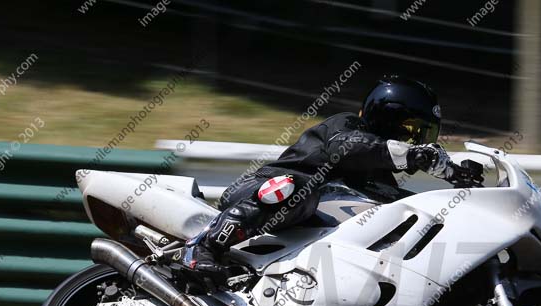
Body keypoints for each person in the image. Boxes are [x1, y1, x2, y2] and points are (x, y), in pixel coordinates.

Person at [183, 75, 456, 277]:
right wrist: (411, 155)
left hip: (300, 218)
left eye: (423, 136)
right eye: (412, 131)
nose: (416, 142)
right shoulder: (347, 125)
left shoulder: (378, 173)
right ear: (389, 117)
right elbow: (346, 148)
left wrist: (458, 181)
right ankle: (203, 247)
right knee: (300, 189)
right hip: (261, 190)